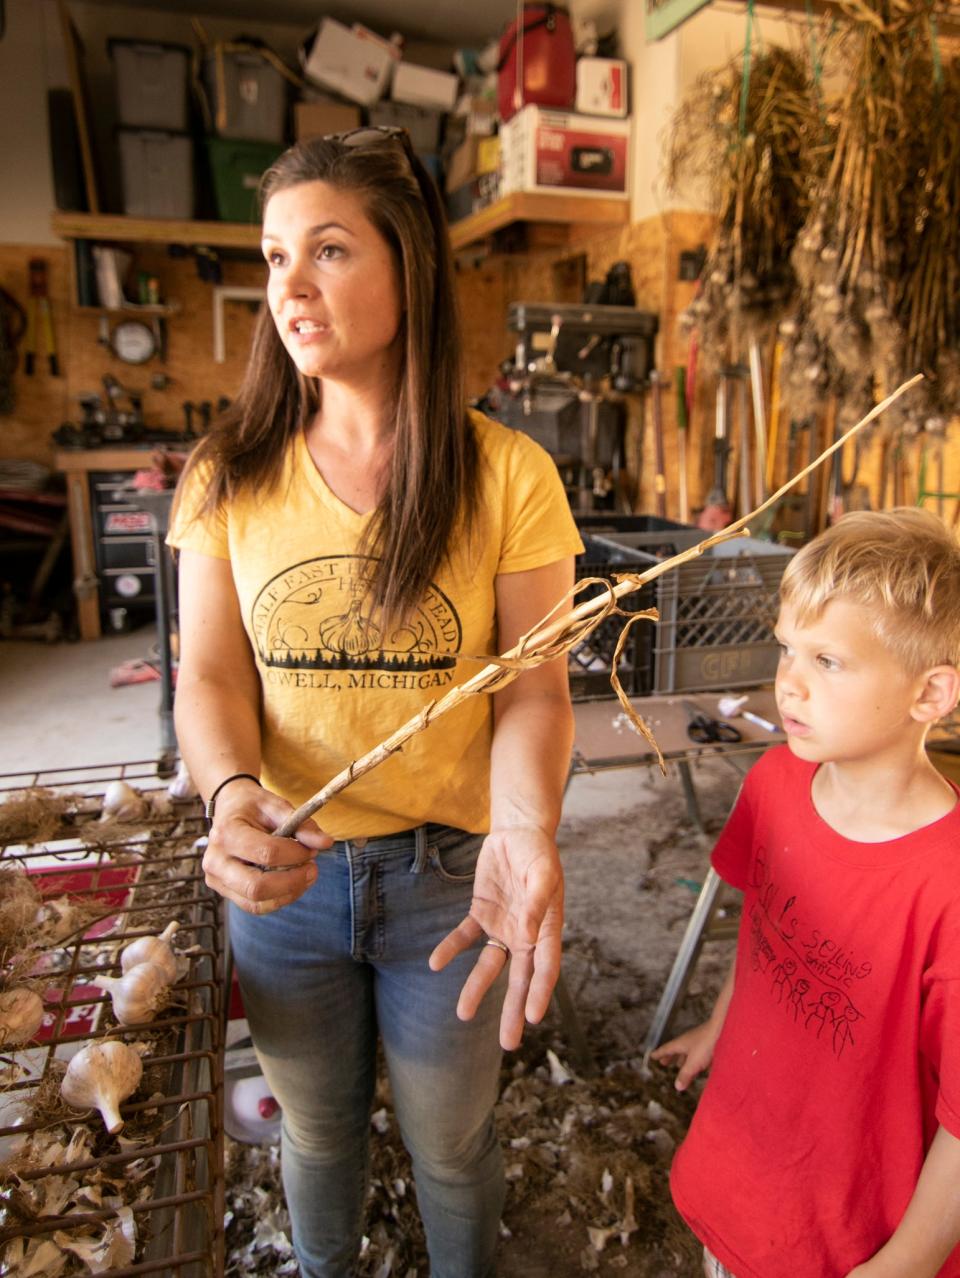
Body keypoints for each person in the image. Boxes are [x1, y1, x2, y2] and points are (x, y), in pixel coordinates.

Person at [168, 128, 582, 1278]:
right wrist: (234, 800)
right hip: (285, 878)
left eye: (330, 251)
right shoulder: (229, 474)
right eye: (273, 255)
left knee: (451, 1145)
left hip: (450, 879)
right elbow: (207, 677)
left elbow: (534, 690)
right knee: (316, 1129)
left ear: (411, 268)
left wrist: (526, 829)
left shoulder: (505, 476)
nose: (288, 287)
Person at [651, 507, 960, 1278]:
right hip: (740, 1177)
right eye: (788, 648)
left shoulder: (948, 885)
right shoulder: (776, 783)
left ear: (931, 694)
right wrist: (723, 1025)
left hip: (854, 1239)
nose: (788, 681)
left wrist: (908, 1263)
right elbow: (763, 922)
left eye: (829, 662)